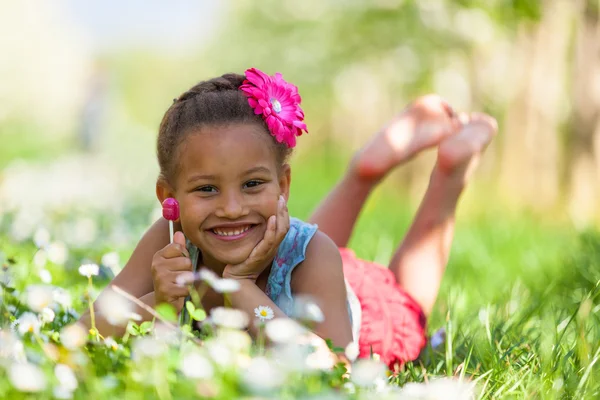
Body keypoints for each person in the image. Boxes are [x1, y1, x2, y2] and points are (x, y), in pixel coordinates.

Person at [80, 68, 497, 369]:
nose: (230, 207)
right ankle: (364, 171)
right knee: (272, 238)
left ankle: (450, 172)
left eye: (252, 184)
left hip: (353, 311)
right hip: (305, 277)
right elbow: (81, 335)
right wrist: (161, 303)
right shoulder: (170, 241)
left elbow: (337, 372)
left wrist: (241, 291)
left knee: (405, 299)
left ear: (284, 184)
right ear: (168, 198)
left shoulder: (314, 253)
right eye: (206, 189)